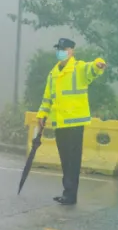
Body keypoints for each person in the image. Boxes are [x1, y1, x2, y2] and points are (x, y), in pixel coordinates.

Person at [36, 37, 107, 205]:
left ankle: (70, 195)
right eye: (59, 49)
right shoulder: (53, 73)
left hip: (75, 123)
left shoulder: (78, 68)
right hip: (60, 122)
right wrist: (42, 114)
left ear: (71, 51)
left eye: (64, 49)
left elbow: (92, 69)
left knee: (72, 160)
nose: (61, 52)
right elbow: (48, 97)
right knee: (65, 159)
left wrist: (99, 64)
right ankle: (67, 192)